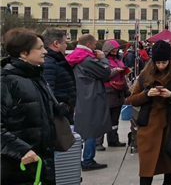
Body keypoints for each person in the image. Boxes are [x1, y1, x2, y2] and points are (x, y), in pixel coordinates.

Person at [0, 29, 67, 184]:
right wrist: (21, 150)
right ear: (24, 53)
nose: (45, 51)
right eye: (39, 48)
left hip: (41, 161)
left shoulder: (36, 76)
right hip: (19, 166)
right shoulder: (6, 81)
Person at [127, 40, 171, 185]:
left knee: (170, 161)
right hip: (149, 125)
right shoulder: (145, 75)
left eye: (164, 62)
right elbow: (132, 99)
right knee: (147, 165)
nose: (161, 66)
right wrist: (146, 94)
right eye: (158, 62)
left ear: (169, 60)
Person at [66, 34, 112, 171]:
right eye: (94, 44)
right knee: (91, 129)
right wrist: (103, 59)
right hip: (91, 96)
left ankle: (86, 159)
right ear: (88, 44)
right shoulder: (86, 59)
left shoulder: (75, 56)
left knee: (85, 127)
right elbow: (105, 72)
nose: (95, 47)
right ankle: (87, 160)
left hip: (81, 94)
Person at [97, 40, 128, 148]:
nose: (115, 51)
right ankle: (98, 142)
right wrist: (116, 71)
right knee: (104, 118)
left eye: (116, 49)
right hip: (107, 92)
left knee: (115, 119)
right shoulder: (102, 61)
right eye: (113, 49)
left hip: (118, 92)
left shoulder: (118, 59)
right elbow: (103, 75)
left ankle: (113, 140)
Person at [42, 28, 77, 124]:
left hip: (63, 112)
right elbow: (49, 93)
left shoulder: (55, 60)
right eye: (65, 43)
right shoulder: (49, 62)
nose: (66, 45)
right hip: (58, 117)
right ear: (56, 43)